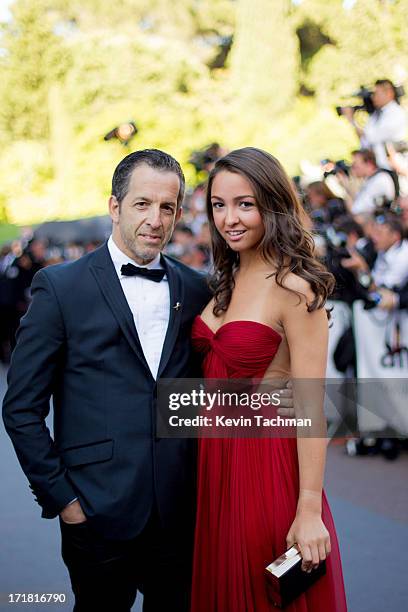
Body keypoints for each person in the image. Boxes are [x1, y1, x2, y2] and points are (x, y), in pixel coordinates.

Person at [2, 149, 212, 612]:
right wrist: (63, 500)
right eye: (142, 204)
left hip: (180, 514)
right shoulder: (60, 287)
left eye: (167, 207)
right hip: (94, 512)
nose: (155, 219)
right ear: (114, 207)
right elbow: (20, 408)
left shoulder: (198, 290)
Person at [190, 148, 347, 611]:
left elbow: (310, 406)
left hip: (266, 470)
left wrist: (309, 508)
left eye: (245, 203)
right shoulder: (226, 279)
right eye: (219, 204)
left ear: (272, 204)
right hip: (214, 468)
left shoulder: (296, 288)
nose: (229, 218)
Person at [342, 79, 407, 169]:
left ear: (389, 93)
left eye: (376, 93)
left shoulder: (396, 113)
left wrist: (351, 120)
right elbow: (364, 142)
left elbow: (371, 137)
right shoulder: (376, 115)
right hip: (380, 168)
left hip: (395, 169)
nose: (372, 97)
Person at [340, 149, 396, 216]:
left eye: (355, 165)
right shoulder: (373, 178)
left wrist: (345, 190)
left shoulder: (379, 180)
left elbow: (356, 211)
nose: (352, 168)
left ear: (369, 164)